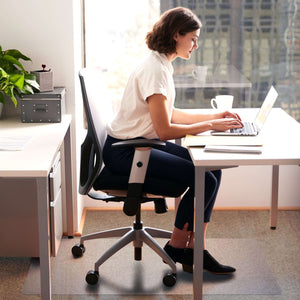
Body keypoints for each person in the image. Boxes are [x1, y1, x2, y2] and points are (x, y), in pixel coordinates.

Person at [103, 7, 243, 275]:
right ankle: (180, 246)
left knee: (213, 167)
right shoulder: (154, 69)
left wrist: (214, 115)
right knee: (205, 177)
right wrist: (212, 125)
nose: (196, 45)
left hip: (140, 144)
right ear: (176, 35)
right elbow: (165, 130)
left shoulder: (161, 64)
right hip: (127, 153)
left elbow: (169, 114)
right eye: (192, 38)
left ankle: (194, 249)